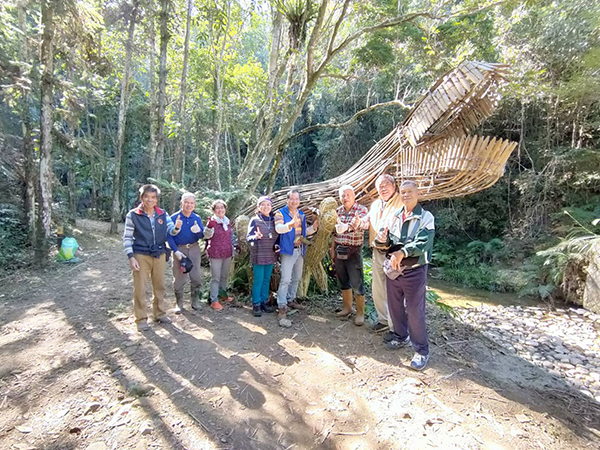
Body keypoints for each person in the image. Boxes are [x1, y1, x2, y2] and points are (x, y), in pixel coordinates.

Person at [376, 180, 435, 371]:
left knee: (415, 310)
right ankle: (400, 336)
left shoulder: (426, 217)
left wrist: (403, 252)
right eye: (403, 192)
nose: (406, 195)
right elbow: (388, 242)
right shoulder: (395, 216)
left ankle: (421, 350)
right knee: (394, 305)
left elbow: (423, 242)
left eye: (410, 191)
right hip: (394, 270)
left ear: (417, 194)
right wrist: (383, 240)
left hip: (415, 270)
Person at [123, 184, 177, 331]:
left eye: (153, 197)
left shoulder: (162, 214)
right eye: (147, 197)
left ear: (157, 200)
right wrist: (131, 257)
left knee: (159, 286)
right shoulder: (133, 215)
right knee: (140, 287)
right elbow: (127, 237)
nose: (150, 200)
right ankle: (140, 319)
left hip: (159, 253)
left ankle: (159, 313)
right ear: (141, 198)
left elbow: (171, 229)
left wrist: (176, 228)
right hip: (140, 254)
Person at [274, 189, 319, 327]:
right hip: (288, 250)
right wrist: (290, 225)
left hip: (300, 250)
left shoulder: (301, 215)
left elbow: (304, 233)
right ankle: (282, 305)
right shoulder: (280, 213)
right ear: (287, 200)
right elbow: (278, 228)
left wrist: (314, 228)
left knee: (297, 277)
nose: (294, 201)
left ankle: (291, 299)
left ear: (299, 201)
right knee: (285, 279)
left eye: (296, 199)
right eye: (291, 199)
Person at [368, 174, 403, 333]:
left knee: (394, 290)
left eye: (386, 184)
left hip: (395, 252)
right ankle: (383, 319)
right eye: (380, 186)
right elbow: (367, 222)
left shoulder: (402, 201)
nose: (383, 188)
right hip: (377, 250)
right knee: (378, 288)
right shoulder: (375, 204)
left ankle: (397, 328)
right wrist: (358, 223)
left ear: (394, 186)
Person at [331, 185, 370, 326]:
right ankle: (347, 308)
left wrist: (354, 224)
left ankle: (360, 313)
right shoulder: (337, 211)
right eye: (343, 195)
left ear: (354, 196)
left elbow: (364, 224)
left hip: (354, 251)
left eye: (348, 195)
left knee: (357, 283)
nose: (345, 197)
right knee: (343, 280)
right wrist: (332, 250)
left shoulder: (361, 210)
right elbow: (334, 233)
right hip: (339, 249)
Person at [167, 192, 204, 313]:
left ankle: (195, 301)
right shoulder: (174, 218)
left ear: (195, 205)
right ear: (181, 203)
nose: (189, 205)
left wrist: (199, 232)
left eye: (192, 203)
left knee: (196, 276)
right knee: (179, 277)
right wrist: (176, 251)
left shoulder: (196, 218)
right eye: (186, 202)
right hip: (180, 249)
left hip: (194, 248)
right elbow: (169, 237)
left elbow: (202, 235)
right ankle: (179, 303)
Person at [246, 196, 279, 317]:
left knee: (266, 279)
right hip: (259, 255)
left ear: (271, 207)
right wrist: (256, 237)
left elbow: (278, 237)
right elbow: (248, 238)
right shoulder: (254, 220)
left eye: (268, 205)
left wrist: (277, 246)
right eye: (263, 205)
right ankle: (256, 304)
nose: (266, 207)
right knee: (258, 280)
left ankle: (264, 301)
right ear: (258, 207)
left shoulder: (274, 220)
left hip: (270, 254)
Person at [204, 199, 237, 311]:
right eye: (217, 208)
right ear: (213, 210)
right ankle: (214, 300)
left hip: (227, 252)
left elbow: (231, 235)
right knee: (216, 278)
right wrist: (209, 227)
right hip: (215, 253)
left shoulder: (226, 221)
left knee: (224, 276)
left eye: (222, 207)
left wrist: (236, 244)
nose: (220, 210)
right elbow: (207, 236)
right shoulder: (212, 222)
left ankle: (223, 294)